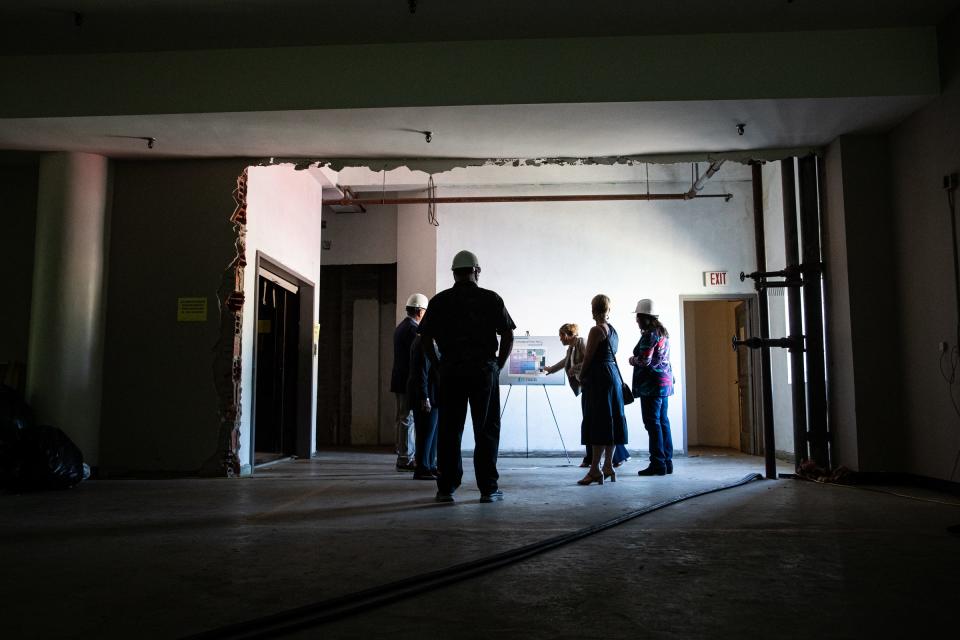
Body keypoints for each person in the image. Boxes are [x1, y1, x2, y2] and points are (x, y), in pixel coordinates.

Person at [418, 250, 515, 503]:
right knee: (486, 429)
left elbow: (425, 337)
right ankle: (488, 488)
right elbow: (508, 334)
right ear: (476, 271)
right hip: (483, 372)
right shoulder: (490, 299)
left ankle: (446, 487)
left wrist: (438, 365)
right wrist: (498, 364)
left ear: (454, 273)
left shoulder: (439, 301)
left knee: (449, 430)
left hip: (451, 372)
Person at [541, 323, 630, 467]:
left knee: (595, 421)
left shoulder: (581, 342)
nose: (560, 339)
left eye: (561, 335)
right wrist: (551, 369)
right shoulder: (572, 347)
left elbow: (590, 359)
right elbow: (565, 361)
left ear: (568, 334)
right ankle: (597, 458)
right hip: (586, 386)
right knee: (591, 421)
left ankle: (611, 458)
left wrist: (575, 369)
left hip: (593, 385)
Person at [576, 294, 628, 485]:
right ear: (608, 309)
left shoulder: (596, 330)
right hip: (612, 377)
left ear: (593, 309)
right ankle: (608, 466)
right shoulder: (613, 331)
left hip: (599, 379)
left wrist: (581, 376)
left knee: (598, 422)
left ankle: (594, 470)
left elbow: (588, 357)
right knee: (612, 421)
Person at [629, 298, 675, 476]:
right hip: (664, 383)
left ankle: (657, 464)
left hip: (652, 385)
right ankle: (666, 462)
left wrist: (632, 360)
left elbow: (645, 360)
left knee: (652, 423)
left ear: (645, 317)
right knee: (663, 422)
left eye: (638, 317)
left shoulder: (650, 335)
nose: (636, 320)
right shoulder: (663, 333)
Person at [390, 293, 428, 472]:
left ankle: (403, 454)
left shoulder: (401, 327)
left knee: (403, 418)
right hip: (407, 381)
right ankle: (405, 458)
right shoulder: (414, 330)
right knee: (407, 419)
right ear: (420, 311)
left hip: (399, 380)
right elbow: (419, 358)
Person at [408, 332, 439, 480]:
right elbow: (421, 373)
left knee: (432, 433)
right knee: (426, 434)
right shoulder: (422, 343)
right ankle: (422, 468)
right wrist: (424, 396)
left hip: (432, 395)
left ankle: (430, 465)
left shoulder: (425, 342)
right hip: (425, 396)